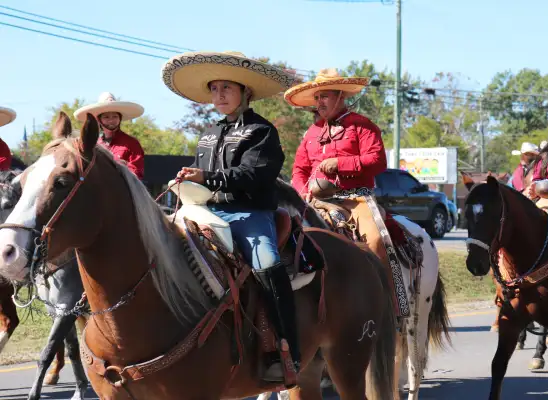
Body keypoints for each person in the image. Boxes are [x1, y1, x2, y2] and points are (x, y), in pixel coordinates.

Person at [162, 51, 298, 381]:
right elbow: (202, 175)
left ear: (245, 92)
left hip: (249, 213)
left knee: (267, 263)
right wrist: (190, 179)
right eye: (214, 88)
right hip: (206, 210)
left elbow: (254, 175)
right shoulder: (208, 133)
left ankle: (287, 348)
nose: (219, 94)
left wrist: (206, 178)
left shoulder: (262, 132)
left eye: (227, 87)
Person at [286, 68, 409, 320]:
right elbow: (299, 170)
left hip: (356, 198)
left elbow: (377, 160)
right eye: (317, 97)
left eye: (325, 96)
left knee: (375, 240)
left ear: (340, 96)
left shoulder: (362, 125)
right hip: (315, 201)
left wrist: (340, 164)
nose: (319, 102)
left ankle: (388, 307)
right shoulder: (310, 133)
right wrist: (302, 191)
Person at [74, 92, 145, 180]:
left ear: (120, 118)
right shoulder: (95, 144)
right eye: (106, 117)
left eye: (115, 116)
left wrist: (122, 167)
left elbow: (137, 173)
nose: (111, 120)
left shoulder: (132, 143)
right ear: (99, 120)